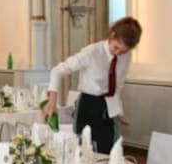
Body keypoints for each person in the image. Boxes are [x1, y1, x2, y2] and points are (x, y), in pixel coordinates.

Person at [43, 16, 142, 154]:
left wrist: (119, 111)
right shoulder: (91, 52)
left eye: (123, 51)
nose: (118, 53)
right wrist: (52, 102)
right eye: (116, 47)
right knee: (83, 151)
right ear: (112, 36)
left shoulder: (126, 56)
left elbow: (117, 86)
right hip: (87, 105)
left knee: (110, 152)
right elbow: (57, 71)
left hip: (109, 107)